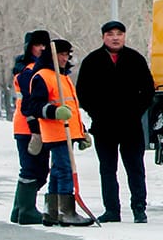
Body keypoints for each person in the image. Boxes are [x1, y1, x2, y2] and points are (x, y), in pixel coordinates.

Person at [76, 20, 155, 223]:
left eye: (119, 33)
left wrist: (136, 111)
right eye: (110, 34)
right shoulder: (92, 61)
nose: (115, 37)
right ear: (103, 37)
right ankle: (112, 210)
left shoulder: (135, 59)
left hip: (131, 125)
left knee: (135, 168)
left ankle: (139, 209)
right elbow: (83, 93)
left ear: (124, 36)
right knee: (108, 169)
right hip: (104, 126)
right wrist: (97, 112)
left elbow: (147, 90)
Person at [24, 39, 93, 227]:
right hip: (55, 132)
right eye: (61, 55)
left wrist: (81, 133)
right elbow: (34, 106)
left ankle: (51, 211)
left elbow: (71, 108)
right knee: (65, 170)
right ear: (51, 56)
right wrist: (54, 112)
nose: (64, 58)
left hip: (67, 132)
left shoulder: (64, 77)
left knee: (56, 171)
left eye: (66, 55)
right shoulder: (43, 76)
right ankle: (66, 211)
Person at [9, 30, 51, 225]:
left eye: (45, 45)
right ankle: (26, 210)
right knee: (33, 168)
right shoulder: (29, 71)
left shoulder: (31, 68)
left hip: (28, 125)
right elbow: (29, 101)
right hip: (29, 127)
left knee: (35, 168)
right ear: (29, 47)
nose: (42, 48)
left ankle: (19, 208)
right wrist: (35, 128)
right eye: (38, 45)